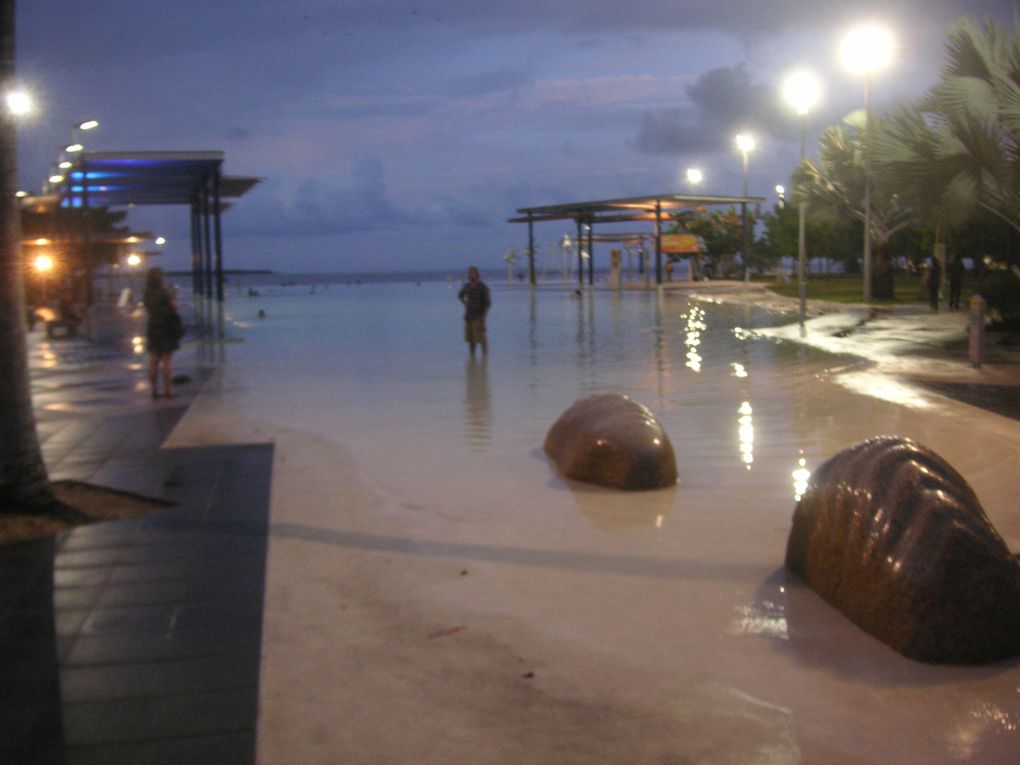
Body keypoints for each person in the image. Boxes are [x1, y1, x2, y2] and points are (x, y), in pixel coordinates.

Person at [143, 267, 184, 398]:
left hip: (152, 327)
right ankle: (168, 390)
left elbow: (148, 307)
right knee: (166, 360)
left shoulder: (147, 293)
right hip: (166, 328)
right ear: (160, 278)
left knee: (153, 360)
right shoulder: (164, 293)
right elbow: (174, 307)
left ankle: (154, 390)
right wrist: (174, 297)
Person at [457, 266, 491, 357]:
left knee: (482, 339)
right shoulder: (467, 286)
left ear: (477, 274)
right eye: (468, 273)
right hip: (469, 317)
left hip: (479, 317)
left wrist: (484, 317)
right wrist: (465, 303)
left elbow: (487, 304)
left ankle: (485, 359)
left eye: (471, 273)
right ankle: (472, 359)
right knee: (471, 340)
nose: (469, 275)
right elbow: (460, 295)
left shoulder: (482, 287)